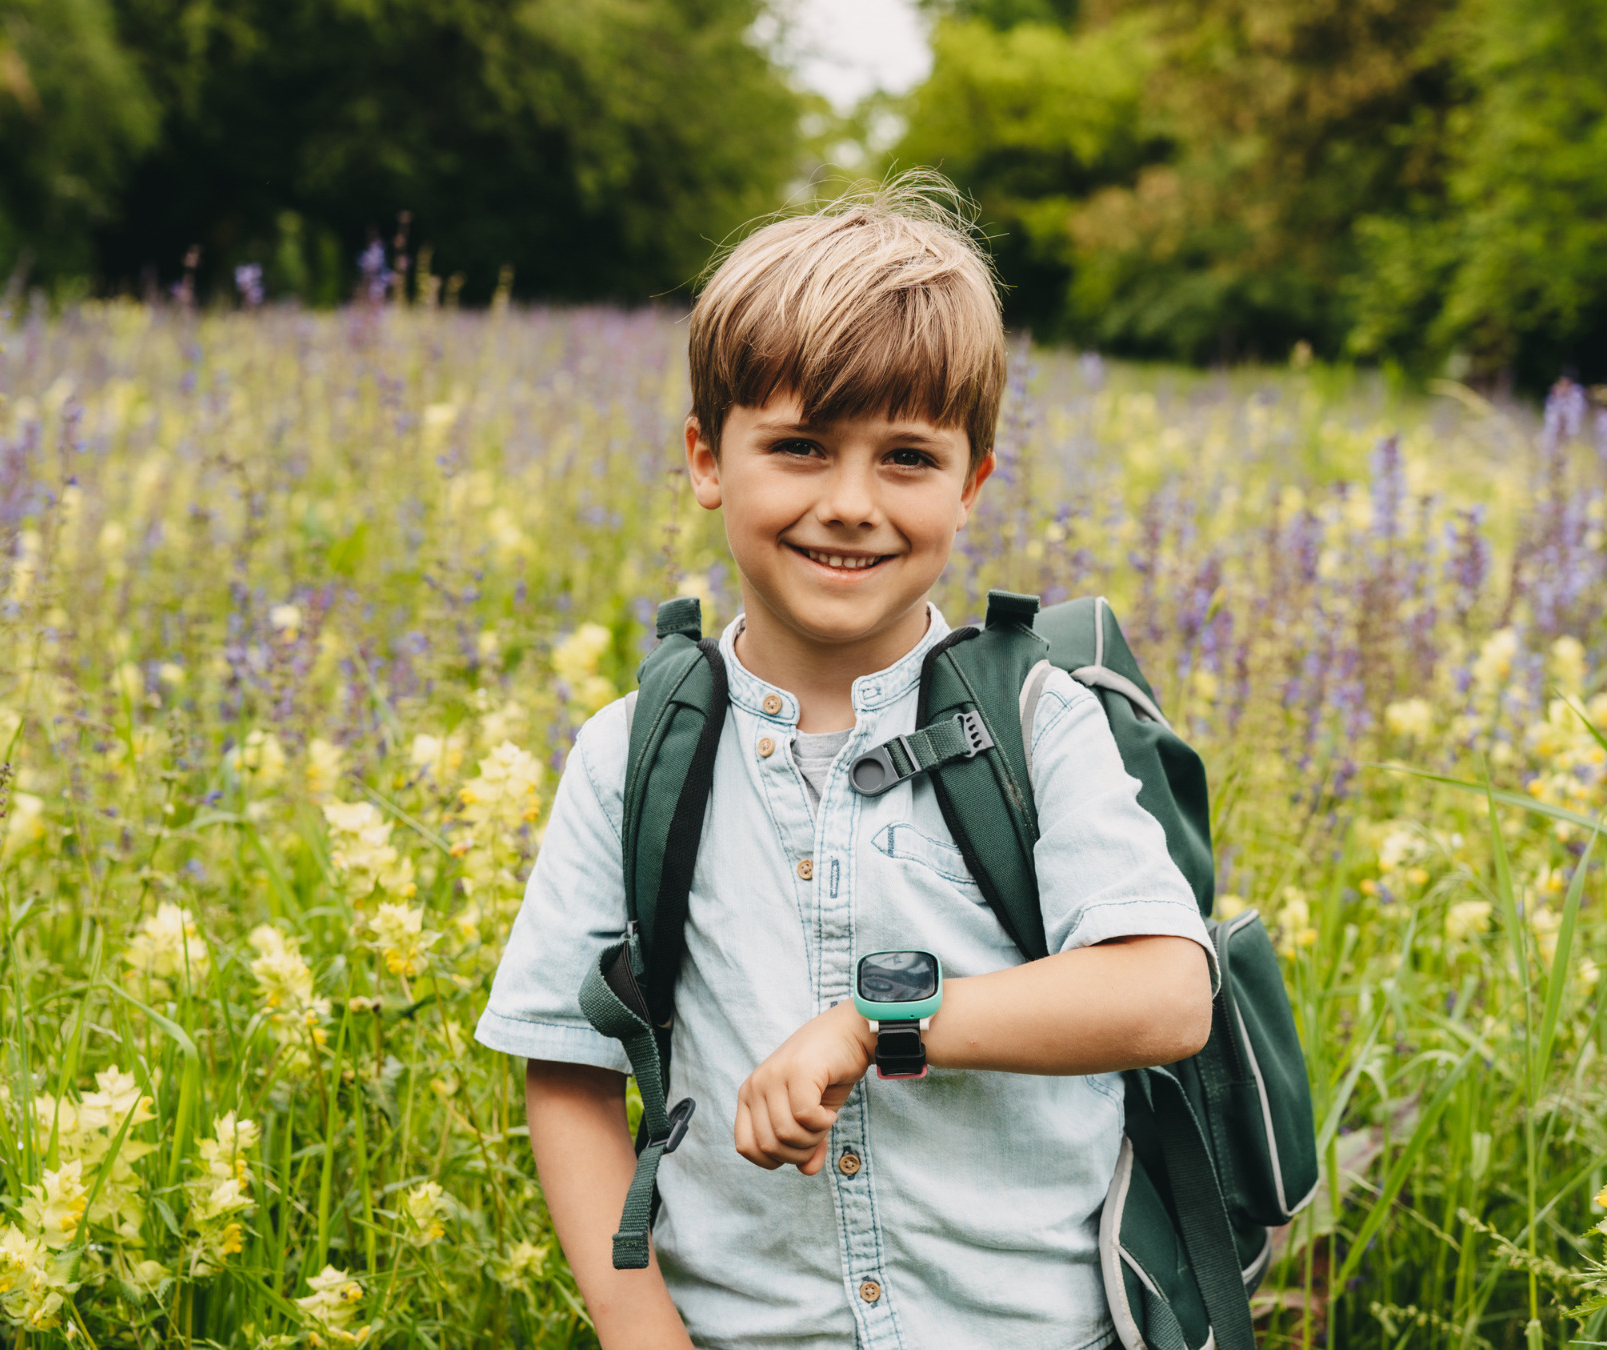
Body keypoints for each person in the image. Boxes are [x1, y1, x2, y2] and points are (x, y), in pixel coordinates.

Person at [474, 176, 1216, 1350]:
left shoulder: (1037, 723)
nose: (851, 504)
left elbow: (1167, 993)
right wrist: (640, 1332)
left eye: (908, 458)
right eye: (802, 447)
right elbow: (567, 1073)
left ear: (973, 482)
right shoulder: (632, 754)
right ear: (707, 458)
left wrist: (878, 1023)